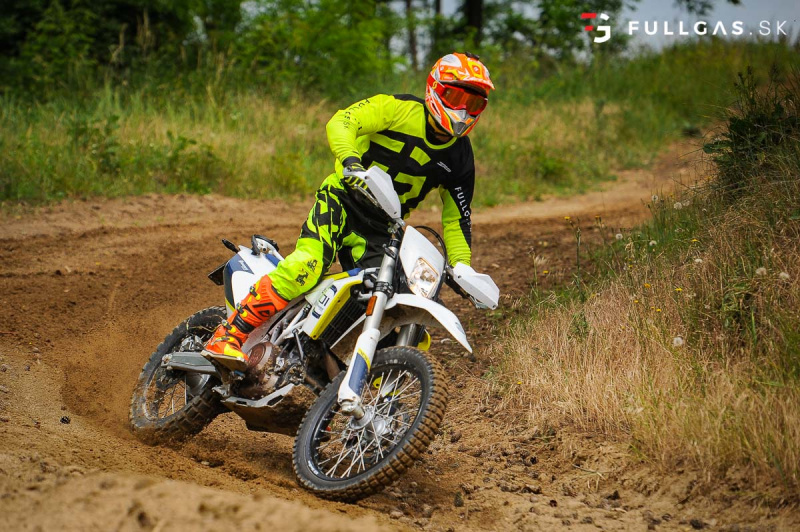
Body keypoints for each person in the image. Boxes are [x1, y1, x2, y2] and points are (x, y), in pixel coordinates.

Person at [203, 52, 495, 371]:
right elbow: (342, 122)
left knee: (394, 302)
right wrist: (351, 162)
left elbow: (456, 218)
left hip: (383, 229)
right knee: (307, 266)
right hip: (343, 198)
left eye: (473, 103)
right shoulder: (397, 109)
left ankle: (365, 387)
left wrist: (463, 266)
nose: (463, 110)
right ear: (435, 89)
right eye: (456, 98)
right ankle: (228, 336)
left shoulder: (460, 158)